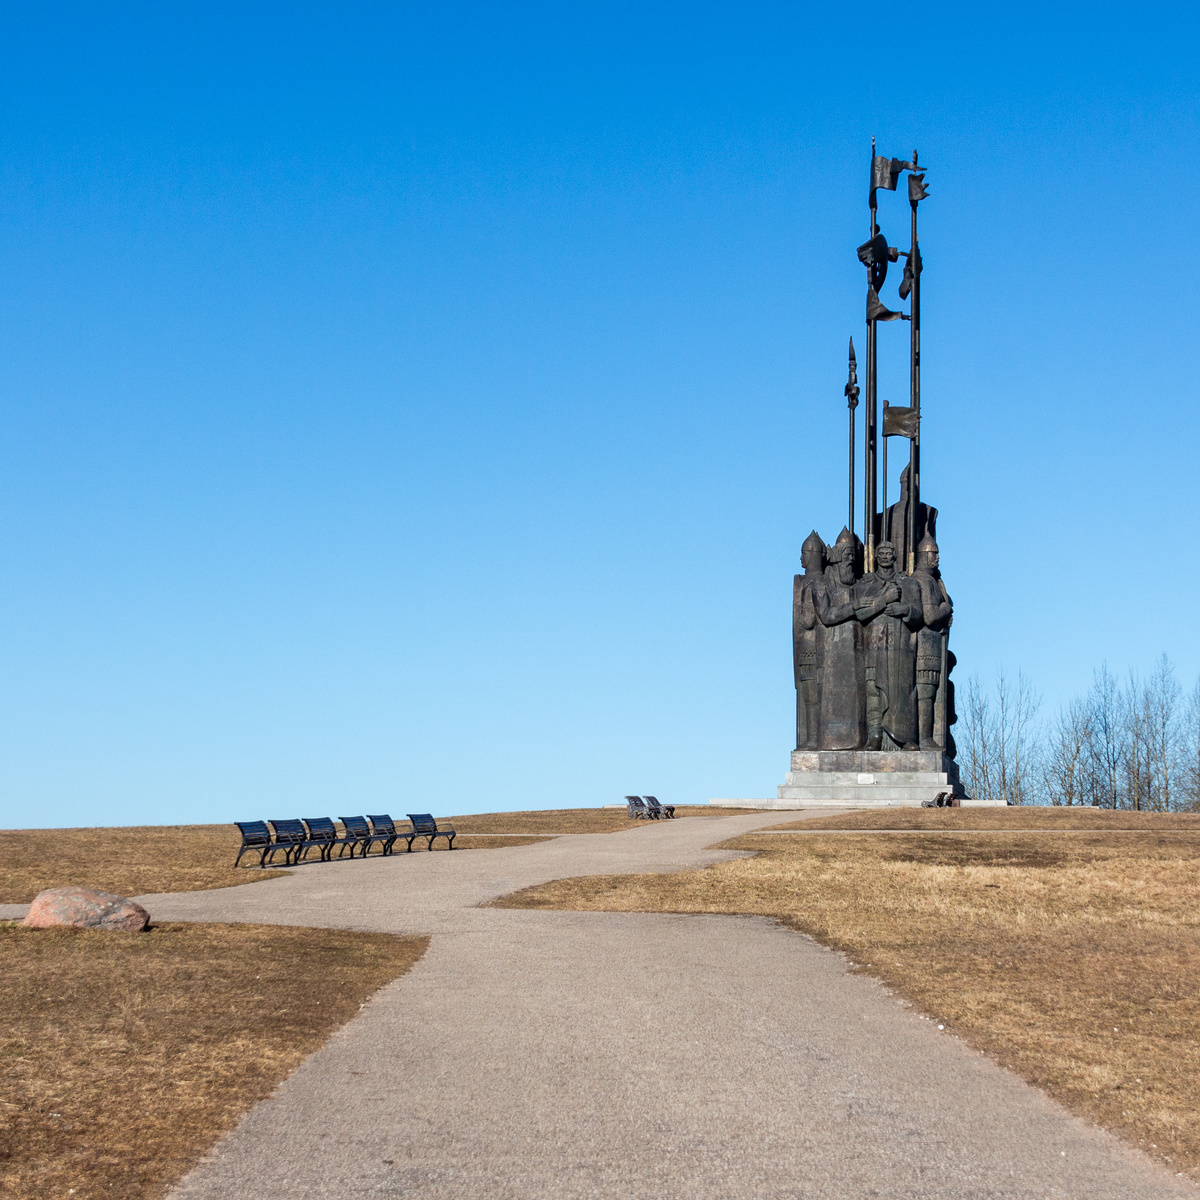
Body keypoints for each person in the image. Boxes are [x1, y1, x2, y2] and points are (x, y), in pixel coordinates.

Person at [859, 540, 923, 750]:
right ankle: (875, 735)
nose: (885, 556)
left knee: (903, 692)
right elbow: (861, 613)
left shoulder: (908, 584)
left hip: (900, 645)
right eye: (881, 553)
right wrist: (884, 601)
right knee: (873, 690)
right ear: (875, 556)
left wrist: (905, 610)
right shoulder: (866, 584)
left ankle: (905, 737)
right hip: (874, 642)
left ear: (895, 556)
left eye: (889, 552)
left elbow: (919, 614)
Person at [912, 533, 953, 751]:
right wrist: (946, 608)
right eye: (933, 553)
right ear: (924, 555)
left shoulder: (934, 581)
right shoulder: (923, 581)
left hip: (934, 644)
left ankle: (927, 737)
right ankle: (924, 738)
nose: (937, 557)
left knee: (931, 691)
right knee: (925, 692)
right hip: (925, 646)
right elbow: (930, 616)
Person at [792, 531, 827, 750]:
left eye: (804, 553)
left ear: (813, 554)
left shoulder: (813, 583)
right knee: (811, 697)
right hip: (811, 650)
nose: (801, 558)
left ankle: (814, 738)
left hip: (811, 649)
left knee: (812, 698)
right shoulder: (816, 582)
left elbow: (806, 620)